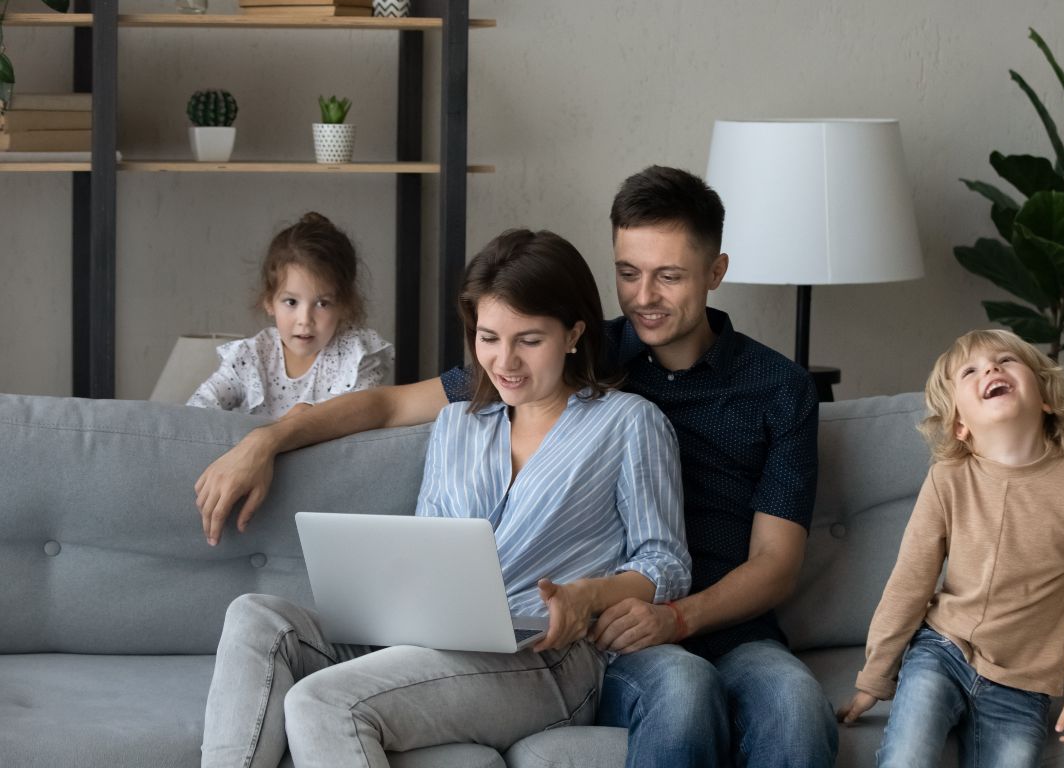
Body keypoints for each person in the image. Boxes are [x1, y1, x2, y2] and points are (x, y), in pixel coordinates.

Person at [194, 166, 837, 767]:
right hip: (509, 635)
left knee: (785, 702)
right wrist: (265, 440)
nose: (645, 298)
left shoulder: (747, 394)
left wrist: (655, 611)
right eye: (629, 273)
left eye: (668, 276)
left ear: (715, 271)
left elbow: (762, 564)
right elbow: (392, 406)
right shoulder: (531, 375)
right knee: (257, 615)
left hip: (649, 628)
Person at [200, 229, 690, 767]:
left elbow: (664, 561)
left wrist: (588, 595)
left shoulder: (629, 423)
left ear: (573, 334)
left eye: (529, 340)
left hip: (548, 661)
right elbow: (426, 548)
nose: (505, 361)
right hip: (433, 642)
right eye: (488, 337)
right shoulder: (457, 425)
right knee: (256, 617)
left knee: (322, 702)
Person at [837, 329, 1064, 767]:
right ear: (960, 423)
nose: (991, 369)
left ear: (1046, 398)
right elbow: (909, 584)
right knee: (906, 759)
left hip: (1024, 685)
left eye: (1006, 361)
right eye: (970, 371)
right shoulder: (947, 480)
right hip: (942, 651)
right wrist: (875, 677)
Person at [187, 212, 394, 418]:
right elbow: (199, 407)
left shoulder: (357, 357)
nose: (305, 320)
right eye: (291, 302)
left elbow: (349, 420)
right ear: (270, 302)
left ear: (344, 305)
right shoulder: (252, 356)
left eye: (322, 303)